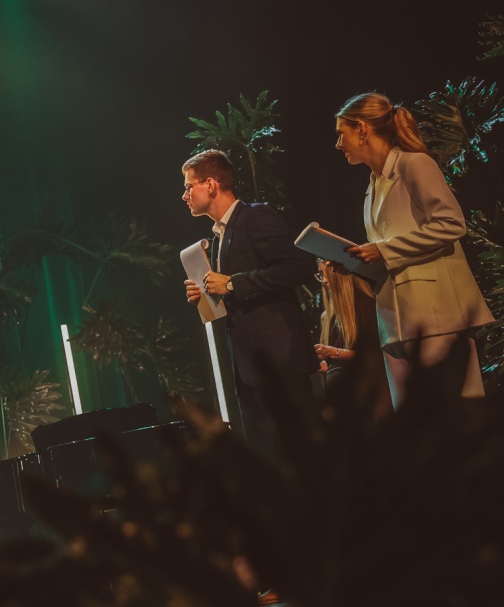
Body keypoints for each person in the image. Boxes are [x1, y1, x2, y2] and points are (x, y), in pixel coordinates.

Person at [334, 92, 494, 407]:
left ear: (362, 129)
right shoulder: (372, 186)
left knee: (454, 413)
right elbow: (389, 254)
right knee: (414, 424)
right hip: (394, 322)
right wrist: (355, 262)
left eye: (341, 133)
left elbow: (452, 224)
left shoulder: (414, 164)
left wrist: (383, 250)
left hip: (434, 315)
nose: (338, 144)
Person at [182, 150, 317, 444]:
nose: (185, 196)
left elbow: (299, 267)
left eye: (189, 186)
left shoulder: (255, 216)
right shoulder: (219, 236)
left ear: (211, 184)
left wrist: (232, 284)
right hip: (248, 369)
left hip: (280, 363)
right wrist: (205, 296)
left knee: (301, 450)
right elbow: (235, 293)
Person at [315, 260, 392, 417]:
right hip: (341, 393)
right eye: (321, 275)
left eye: (327, 274)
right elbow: (330, 366)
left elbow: (376, 355)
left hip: (366, 392)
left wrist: (334, 352)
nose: (324, 281)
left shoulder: (366, 305)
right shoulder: (327, 317)